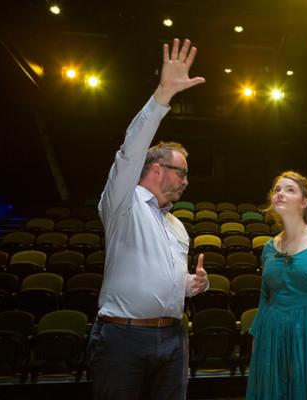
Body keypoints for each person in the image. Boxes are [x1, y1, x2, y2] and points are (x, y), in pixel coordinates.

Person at [86, 38, 209, 400]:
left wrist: (190, 284)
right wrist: (162, 97)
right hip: (122, 339)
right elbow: (130, 152)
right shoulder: (123, 203)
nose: (186, 181)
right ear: (156, 169)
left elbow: (161, 281)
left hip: (173, 337)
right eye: (181, 173)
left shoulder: (177, 225)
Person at [245, 171, 307, 400]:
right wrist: (257, 338)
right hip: (272, 332)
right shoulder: (269, 247)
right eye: (277, 189)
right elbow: (264, 297)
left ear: (304, 202)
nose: (280, 194)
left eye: (289, 189)